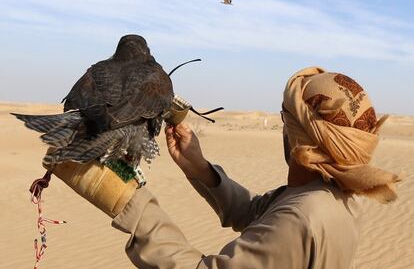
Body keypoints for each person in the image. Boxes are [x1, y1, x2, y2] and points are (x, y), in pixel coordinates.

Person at [87, 67, 401, 268]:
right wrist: (199, 166)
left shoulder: (303, 216)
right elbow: (256, 214)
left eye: (285, 116)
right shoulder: (329, 194)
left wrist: (130, 202)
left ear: (297, 133)